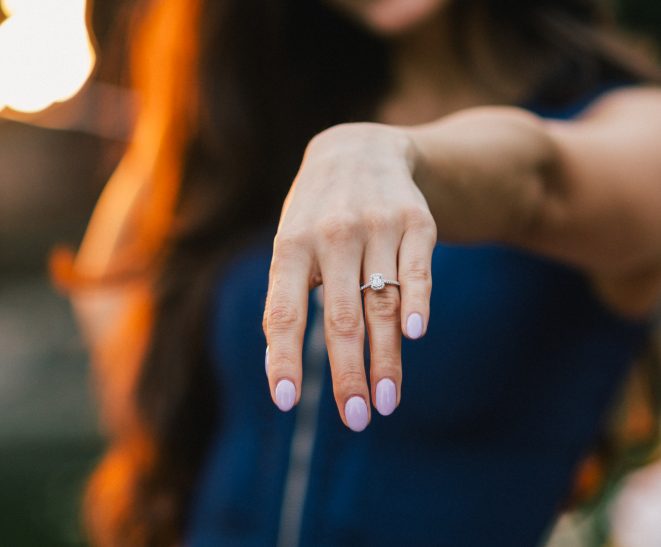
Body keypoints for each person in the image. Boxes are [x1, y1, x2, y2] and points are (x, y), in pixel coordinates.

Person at [66, 0, 661, 545]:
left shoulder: (631, 125)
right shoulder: (257, 123)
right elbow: (114, 294)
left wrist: (387, 156)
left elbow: (539, 180)